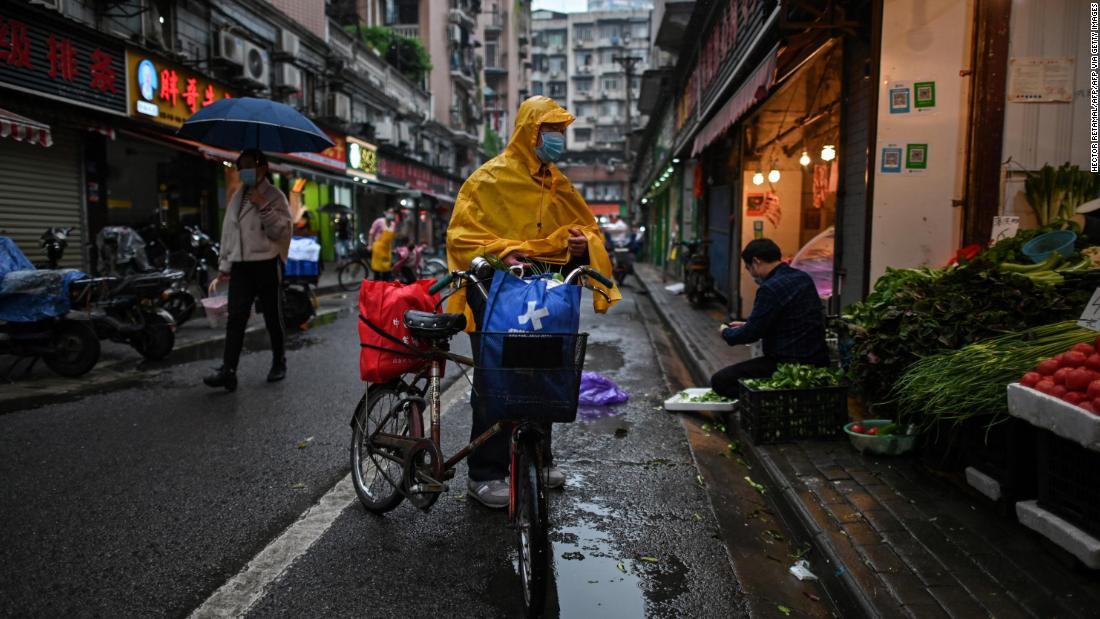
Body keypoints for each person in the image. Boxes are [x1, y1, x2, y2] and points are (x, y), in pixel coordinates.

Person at [446, 95, 620, 509]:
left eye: (562, 130)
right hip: (497, 285)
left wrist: (582, 245)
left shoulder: (560, 184)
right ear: (529, 132)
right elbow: (461, 236)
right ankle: (485, 473)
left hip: (548, 285)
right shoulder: (487, 179)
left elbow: (591, 231)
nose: (558, 138)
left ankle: (539, 458)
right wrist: (502, 251)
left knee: (544, 369)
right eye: (550, 130)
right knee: (497, 376)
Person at [204, 149, 293, 392]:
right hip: (241, 266)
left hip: (266, 263)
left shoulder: (275, 196)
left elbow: (283, 231)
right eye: (240, 167)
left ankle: (279, 362)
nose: (244, 171)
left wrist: (264, 206)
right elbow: (228, 233)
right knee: (235, 317)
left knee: (273, 317)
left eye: (248, 165)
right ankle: (228, 370)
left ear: (263, 168)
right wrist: (224, 265)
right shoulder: (237, 196)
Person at [710, 238, 829, 399]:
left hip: (787, 365)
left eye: (748, 268)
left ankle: (769, 401)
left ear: (756, 261)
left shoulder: (770, 288)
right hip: (818, 360)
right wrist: (749, 324)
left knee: (721, 381)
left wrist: (725, 332)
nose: (751, 273)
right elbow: (787, 319)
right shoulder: (803, 278)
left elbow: (751, 334)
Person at [368, 208, 396, 281]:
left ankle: (384, 290)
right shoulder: (379, 221)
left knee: (387, 272)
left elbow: (391, 238)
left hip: (387, 250)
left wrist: (392, 248)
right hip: (378, 249)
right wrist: (370, 245)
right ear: (385, 213)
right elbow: (371, 234)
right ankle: (376, 290)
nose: (391, 214)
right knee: (377, 272)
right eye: (389, 212)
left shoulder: (393, 224)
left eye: (392, 213)